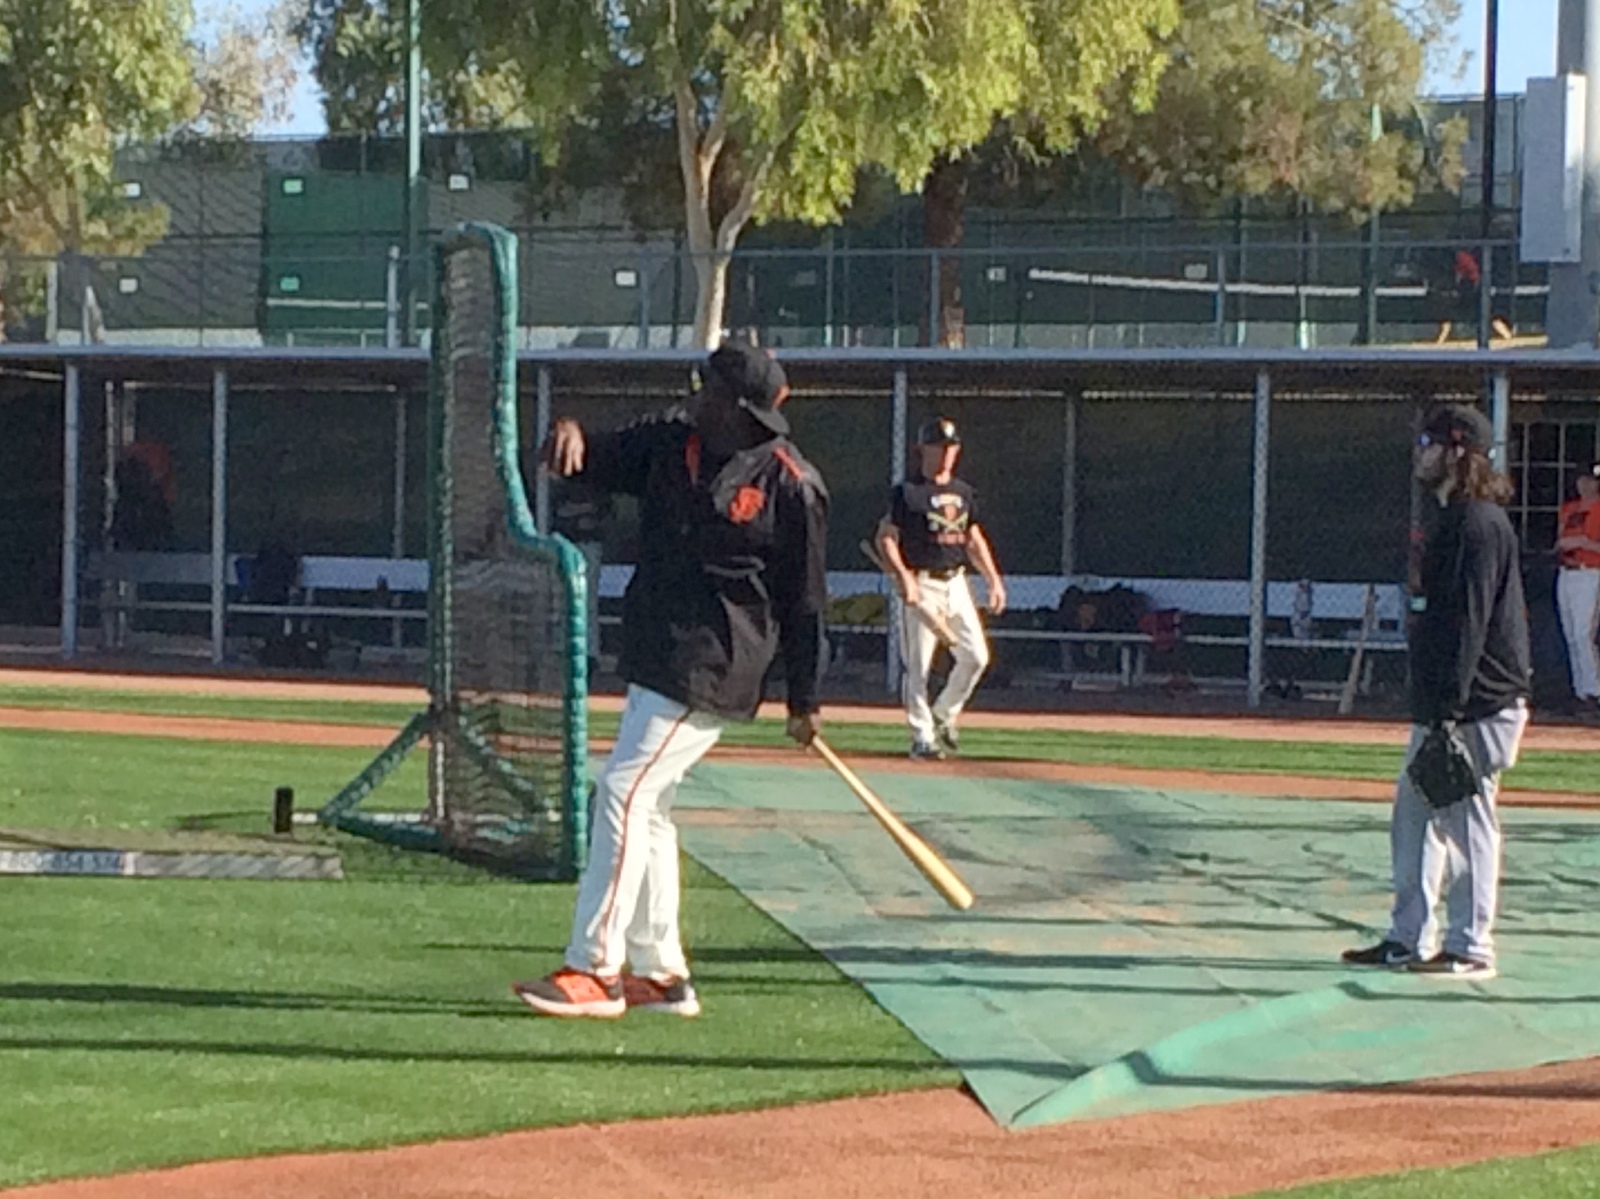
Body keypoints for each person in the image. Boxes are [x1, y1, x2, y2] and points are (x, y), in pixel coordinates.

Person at [512, 341, 829, 1019]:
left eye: (709, 389)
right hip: (659, 649)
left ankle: (595, 968)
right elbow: (598, 454)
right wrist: (569, 434)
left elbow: (805, 604)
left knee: (621, 791)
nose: (695, 397)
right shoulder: (671, 440)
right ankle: (661, 976)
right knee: (646, 807)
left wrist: (805, 699)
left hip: (717, 662)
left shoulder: (790, 483)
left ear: (740, 409)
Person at [1343, 404, 1531, 981]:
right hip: (1446, 705)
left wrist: (1446, 711)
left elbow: (1468, 624)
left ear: (1457, 450)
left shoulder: (1477, 523)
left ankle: (1472, 945)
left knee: (1468, 822)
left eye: (1428, 442)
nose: (1418, 452)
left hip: (1478, 704)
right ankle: (1409, 937)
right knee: (1415, 819)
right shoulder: (1452, 518)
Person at [875, 417, 1006, 760]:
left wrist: (993, 579)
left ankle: (943, 713)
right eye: (938, 447)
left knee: (976, 656)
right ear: (924, 450)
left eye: (951, 447)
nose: (946, 454)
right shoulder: (908, 492)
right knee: (917, 667)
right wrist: (903, 577)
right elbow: (886, 538)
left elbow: (973, 538)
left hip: (957, 582)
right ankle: (922, 737)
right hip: (922, 583)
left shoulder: (963, 492)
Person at [1555, 462, 1600, 717]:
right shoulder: (1569, 509)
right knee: (1571, 634)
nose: (1586, 485)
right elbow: (1560, 540)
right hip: (1567, 571)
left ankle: (1593, 691)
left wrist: (1586, 543)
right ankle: (1579, 692)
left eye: (1591, 480)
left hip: (1589, 571)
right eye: (1583, 480)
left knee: (1584, 634)